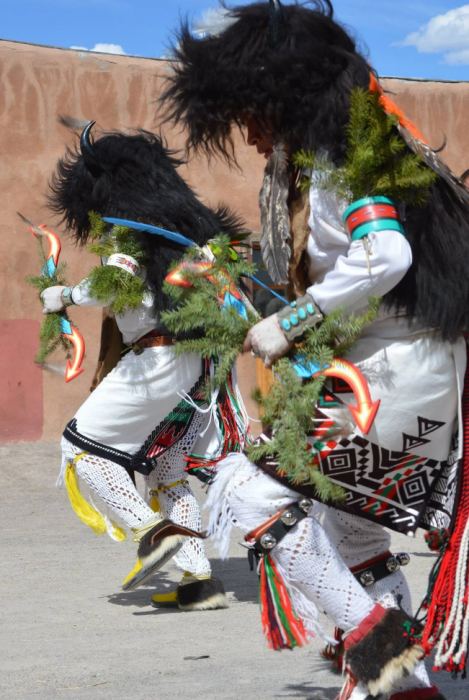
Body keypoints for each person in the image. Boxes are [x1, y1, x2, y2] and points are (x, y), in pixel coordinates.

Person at [161, 1, 469, 696]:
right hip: (408, 370)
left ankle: (385, 664)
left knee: (243, 491)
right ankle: (399, 678)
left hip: (396, 371)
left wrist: (290, 321)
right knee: (350, 534)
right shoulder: (351, 148)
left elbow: (383, 255)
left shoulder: (338, 156)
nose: (243, 131)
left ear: (281, 94)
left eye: (248, 110)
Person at [43, 124, 247, 611]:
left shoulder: (131, 229)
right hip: (199, 366)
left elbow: (118, 280)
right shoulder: (183, 233)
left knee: (80, 447)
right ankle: (199, 580)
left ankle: (153, 533)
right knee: (167, 471)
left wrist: (66, 295)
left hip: (158, 359)